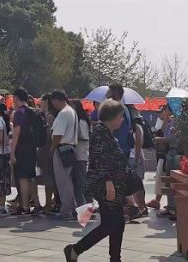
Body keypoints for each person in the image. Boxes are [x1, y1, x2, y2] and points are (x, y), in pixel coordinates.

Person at [63, 99, 142, 262]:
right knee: (112, 223)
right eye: (120, 116)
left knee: (116, 223)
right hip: (105, 186)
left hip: (114, 185)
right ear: (112, 117)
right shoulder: (100, 133)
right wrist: (108, 181)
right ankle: (76, 249)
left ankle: (111, 258)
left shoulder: (106, 133)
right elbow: (99, 159)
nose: (122, 119)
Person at [10, 89, 42, 215]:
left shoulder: (19, 113)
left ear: (16, 98)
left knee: (22, 178)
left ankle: (25, 206)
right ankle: (37, 204)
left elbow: (16, 134)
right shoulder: (32, 111)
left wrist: (12, 152)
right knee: (31, 177)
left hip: (21, 149)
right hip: (32, 149)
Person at [49, 91, 80, 220]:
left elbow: (58, 135)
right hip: (69, 147)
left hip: (62, 148)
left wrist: (52, 148)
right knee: (68, 180)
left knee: (63, 181)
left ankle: (66, 210)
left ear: (57, 100)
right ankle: (71, 209)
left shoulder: (63, 113)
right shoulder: (71, 111)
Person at [149, 105, 177, 212]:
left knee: (168, 179)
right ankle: (162, 202)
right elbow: (163, 131)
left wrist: (160, 140)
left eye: (166, 110)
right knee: (162, 177)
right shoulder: (169, 122)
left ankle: (171, 205)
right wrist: (165, 120)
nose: (164, 112)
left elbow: (172, 138)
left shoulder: (175, 122)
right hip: (164, 154)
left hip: (171, 153)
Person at [70, 100, 91, 205]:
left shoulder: (81, 121)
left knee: (80, 180)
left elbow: (84, 136)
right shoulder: (77, 120)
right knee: (77, 180)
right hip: (77, 154)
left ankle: (84, 203)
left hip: (81, 154)